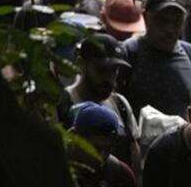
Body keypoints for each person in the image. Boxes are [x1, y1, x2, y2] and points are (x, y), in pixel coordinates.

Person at [119, 0, 191, 118]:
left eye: (176, 22)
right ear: (145, 17)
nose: (169, 29)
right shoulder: (129, 53)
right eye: (162, 21)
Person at [60, 33, 141, 169]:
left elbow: (134, 156)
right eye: (101, 70)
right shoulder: (63, 104)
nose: (108, 79)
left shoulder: (120, 104)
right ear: (81, 64)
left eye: (114, 71)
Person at [68, 102, 144, 187]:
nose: (101, 157)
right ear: (73, 136)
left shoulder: (121, 176)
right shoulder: (55, 171)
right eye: (95, 148)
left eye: (108, 149)